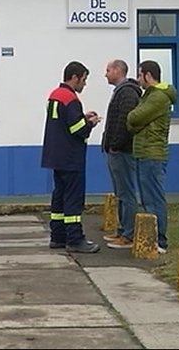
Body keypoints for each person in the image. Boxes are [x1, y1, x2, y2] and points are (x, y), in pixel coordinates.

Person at [41, 61, 102, 253]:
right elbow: (78, 130)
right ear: (74, 78)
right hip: (71, 157)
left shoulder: (55, 96)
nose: (84, 84)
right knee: (73, 199)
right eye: (83, 80)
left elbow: (64, 123)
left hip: (56, 156)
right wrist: (90, 123)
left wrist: (81, 117)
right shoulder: (71, 99)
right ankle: (75, 239)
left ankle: (57, 236)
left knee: (59, 197)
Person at [127, 60, 176, 254]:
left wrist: (137, 122)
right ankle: (151, 238)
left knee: (154, 198)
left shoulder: (159, 97)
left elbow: (133, 118)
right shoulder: (149, 96)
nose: (138, 79)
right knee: (147, 198)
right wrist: (137, 123)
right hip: (142, 151)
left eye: (140, 75)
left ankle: (160, 240)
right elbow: (132, 122)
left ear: (148, 75)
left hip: (152, 154)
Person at [100, 59, 142, 250]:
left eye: (108, 70)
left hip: (122, 151)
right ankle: (122, 229)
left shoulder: (127, 93)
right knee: (120, 192)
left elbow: (125, 122)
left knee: (126, 192)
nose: (106, 74)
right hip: (115, 150)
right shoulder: (120, 92)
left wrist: (115, 145)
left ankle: (128, 234)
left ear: (117, 70)